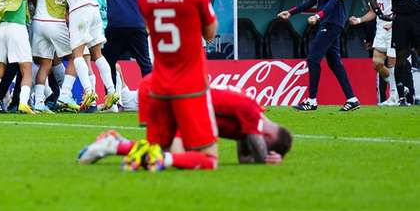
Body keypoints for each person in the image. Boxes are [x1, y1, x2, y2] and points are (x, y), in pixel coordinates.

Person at [126, 0, 218, 171]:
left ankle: (122, 148)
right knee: (209, 158)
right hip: (191, 85)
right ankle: (161, 161)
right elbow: (209, 33)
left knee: (163, 144)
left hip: (158, 84)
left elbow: (151, 25)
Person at [3, 0, 118, 110]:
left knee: (76, 54)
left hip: (77, 12)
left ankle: (87, 92)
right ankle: (111, 91)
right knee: (97, 54)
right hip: (92, 8)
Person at [78, 83, 293, 166]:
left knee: (162, 150)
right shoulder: (253, 113)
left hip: (178, 99)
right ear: (270, 138)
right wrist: (265, 160)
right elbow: (256, 146)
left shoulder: (248, 123)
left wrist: (260, 158)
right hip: (185, 103)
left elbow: (244, 157)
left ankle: (115, 145)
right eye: (268, 147)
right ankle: (114, 145)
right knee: (201, 160)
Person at [278, 0, 360, 112]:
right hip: (327, 21)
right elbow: (310, 1)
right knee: (334, 62)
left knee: (313, 58)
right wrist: (290, 12)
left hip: (332, 22)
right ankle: (352, 99)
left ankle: (312, 101)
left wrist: (319, 15)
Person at [369, 0, 420, 105]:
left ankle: (410, 94)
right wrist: (381, 15)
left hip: (417, 23)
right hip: (400, 23)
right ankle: (401, 98)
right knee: (399, 60)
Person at [97, 0, 152, 91]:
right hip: (137, 25)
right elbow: (148, 0)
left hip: (114, 26)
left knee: (109, 63)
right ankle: (152, 98)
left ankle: (112, 100)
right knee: (145, 63)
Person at [349, 0, 399, 106]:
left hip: (393, 28)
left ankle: (394, 95)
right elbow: (373, 12)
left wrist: (394, 22)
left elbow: (402, 8)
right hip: (380, 29)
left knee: (392, 62)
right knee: (377, 63)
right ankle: (400, 88)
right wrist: (359, 20)